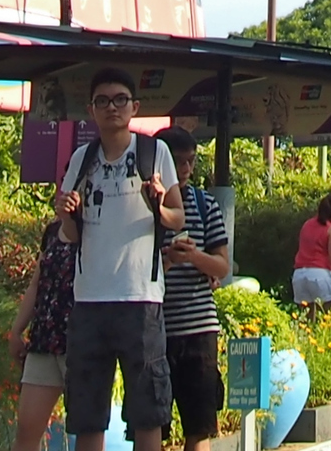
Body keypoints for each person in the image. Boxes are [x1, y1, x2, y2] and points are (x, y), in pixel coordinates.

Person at [60, 66, 183, 451]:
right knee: (86, 411)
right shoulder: (82, 159)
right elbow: (70, 235)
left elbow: (177, 218)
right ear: (91, 109)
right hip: (90, 299)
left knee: (148, 409)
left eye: (120, 100)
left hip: (140, 298)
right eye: (102, 101)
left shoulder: (154, 152)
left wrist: (158, 205)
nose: (111, 107)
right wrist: (66, 213)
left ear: (134, 107)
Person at [158, 129, 232, 451]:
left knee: (199, 425)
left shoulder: (205, 205)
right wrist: (169, 260)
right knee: (150, 423)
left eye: (191, 161)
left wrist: (195, 257)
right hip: (154, 328)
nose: (186, 169)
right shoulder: (146, 208)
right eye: (178, 162)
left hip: (199, 329)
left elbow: (222, 266)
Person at [8, 204, 78, 451]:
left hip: (81, 344)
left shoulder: (98, 231)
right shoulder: (52, 231)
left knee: (86, 431)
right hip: (44, 339)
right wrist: (17, 330)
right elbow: (36, 283)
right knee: (27, 430)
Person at [292, 191, 331, 305]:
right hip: (320, 275)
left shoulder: (307, 224)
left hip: (299, 275)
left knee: (307, 319)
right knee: (326, 317)